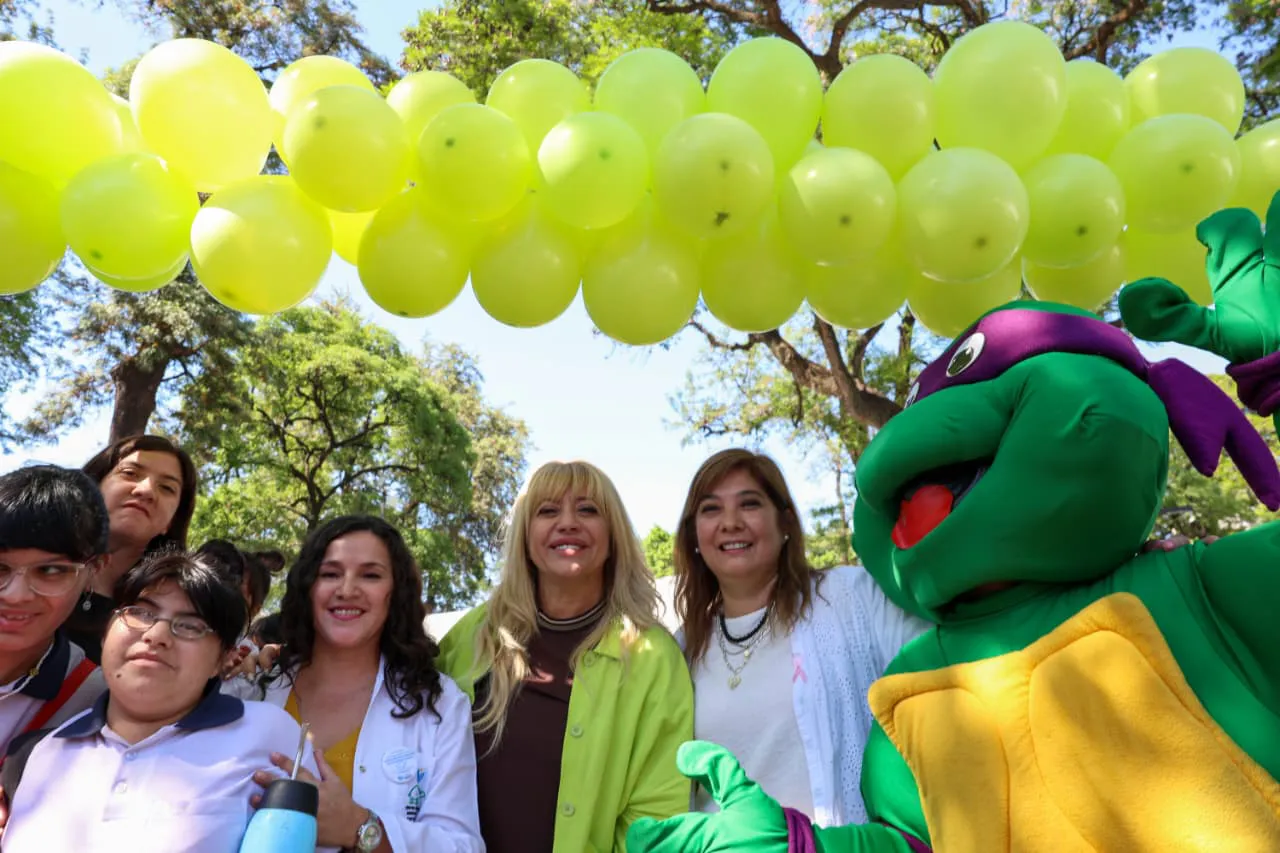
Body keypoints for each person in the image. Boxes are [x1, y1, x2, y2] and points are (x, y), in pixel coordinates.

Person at [439, 460, 693, 853]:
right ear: (525, 534)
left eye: (588, 510)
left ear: (613, 534)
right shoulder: (473, 635)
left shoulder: (651, 656)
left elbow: (657, 814)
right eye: (548, 510)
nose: (568, 523)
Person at [1, 552, 328, 853]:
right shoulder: (46, 752)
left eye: (190, 625)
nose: (156, 635)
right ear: (106, 632)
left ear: (223, 659)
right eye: (141, 613)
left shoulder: (268, 733)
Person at [673, 449, 928, 826]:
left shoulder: (851, 596)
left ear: (786, 523)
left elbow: (940, 672)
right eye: (711, 509)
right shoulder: (683, 648)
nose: (730, 523)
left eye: (749, 504)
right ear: (694, 536)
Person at [232, 515, 483, 853]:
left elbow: (463, 847)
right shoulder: (252, 687)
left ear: (395, 593)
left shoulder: (439, 705)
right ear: (308, 587)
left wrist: (361, 829)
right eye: (330, 574)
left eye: (370, 575)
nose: (347, 590)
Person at [0, 466, 109, 756]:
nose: (15, 595)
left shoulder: (98, 703)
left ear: (93, 571)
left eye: (50, 570)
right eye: (0, 567)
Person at [63, 434, 198, 663]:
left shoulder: (171, 617)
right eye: (130, 473)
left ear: (171, 522)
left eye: (167, 487)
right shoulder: (22, 556)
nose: (146, 490)